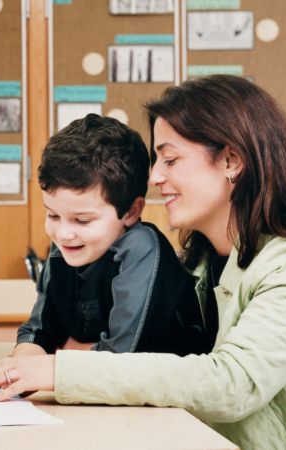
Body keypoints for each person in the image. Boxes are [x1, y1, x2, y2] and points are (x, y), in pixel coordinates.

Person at [0, 75, 286, 450]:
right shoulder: (205, 262)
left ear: (232, 160)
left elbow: (231, 383)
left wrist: (59, 370)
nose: (155, 176)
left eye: (170, 159)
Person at [15, 114, 212, 358]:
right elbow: (38, 330)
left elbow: (120, 357)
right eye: (53, 216)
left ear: (130, 211)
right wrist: (23, 360)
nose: (64, 234)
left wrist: (62, 358)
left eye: (83, 220)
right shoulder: (65, 250)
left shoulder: (141, 248)